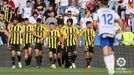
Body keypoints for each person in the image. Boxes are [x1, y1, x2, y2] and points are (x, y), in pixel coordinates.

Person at [93, 0, 123, 75]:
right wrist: (120, 30)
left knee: (105, 52)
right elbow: (121, 22)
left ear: (100, 3)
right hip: (111, 31)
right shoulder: (112, 11)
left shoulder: (98, 11)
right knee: (111, 51)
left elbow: (94, 23)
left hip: (103, 31)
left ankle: (110, 70)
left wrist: (96, 29)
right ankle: (112, 69)